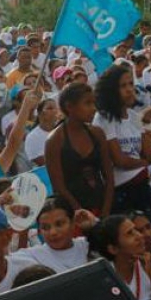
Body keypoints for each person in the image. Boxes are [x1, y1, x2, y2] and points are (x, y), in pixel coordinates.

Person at [94, 65, 151, 213]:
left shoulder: (134, 117)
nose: (129, 89)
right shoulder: (104, 117)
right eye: (122, 86)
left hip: (142, 188)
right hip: (121, 193)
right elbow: (120, 161)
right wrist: (145, 163)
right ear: (111, 90)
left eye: (131, 84)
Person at [45, 83, 114, 217]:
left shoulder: (97, 133)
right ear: (69, 106)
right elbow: (59, 187)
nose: (94, 109)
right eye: (87, 103)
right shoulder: (54, 140)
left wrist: (106, 212)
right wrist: (81, 213)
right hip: (73, 213)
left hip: (103, 206)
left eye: (94, 103)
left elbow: (109, 177)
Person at [11, 196, 94, 273]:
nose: (53, 232)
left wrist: (94, 224)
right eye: (45, 227)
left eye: (59, 224)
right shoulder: (34, 256)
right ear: (39, 230)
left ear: (72, 223)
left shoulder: (87, 245)